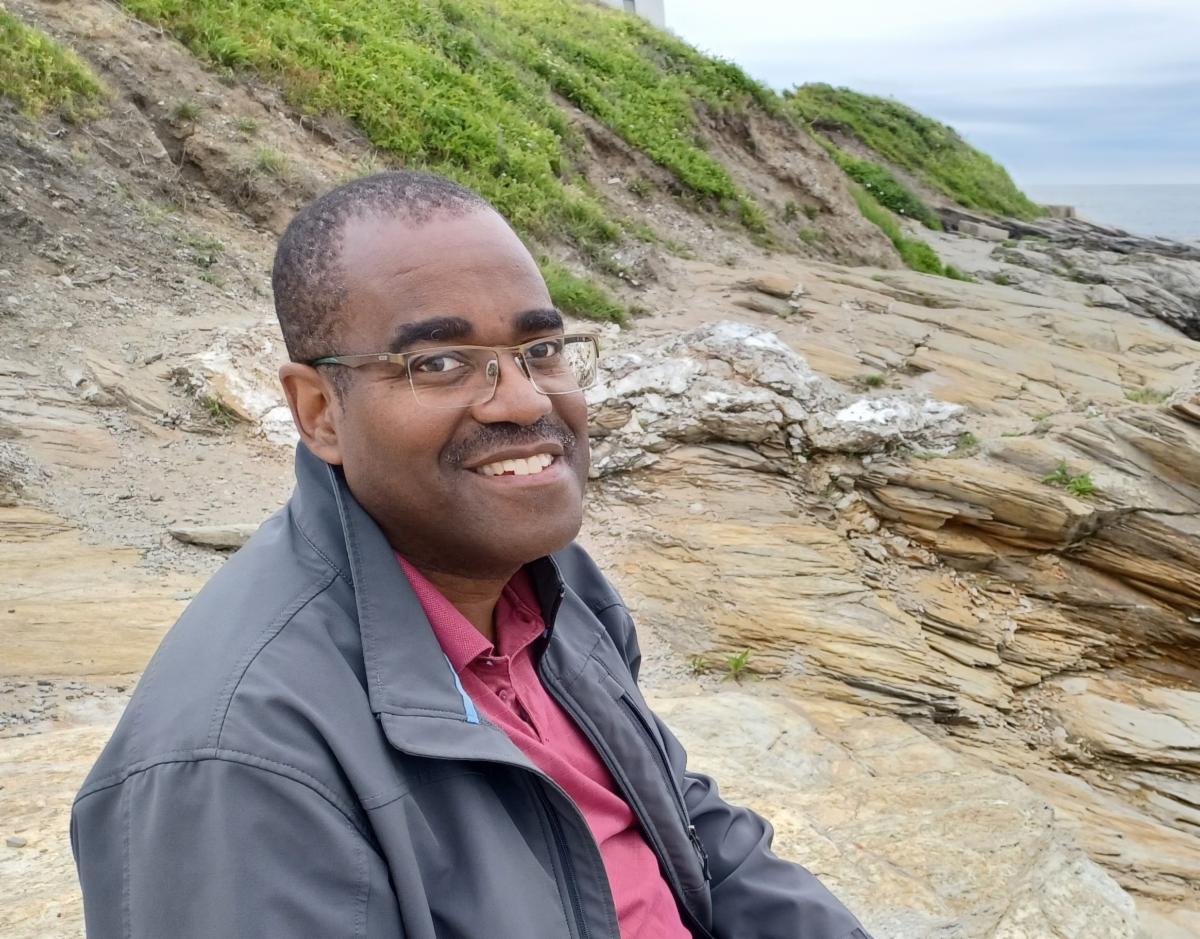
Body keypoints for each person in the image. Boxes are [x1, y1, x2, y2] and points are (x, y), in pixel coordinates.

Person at [71, 171, 871, 939]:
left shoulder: (553, 588)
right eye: (439, 364)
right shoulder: (238, 760)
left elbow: (683, 826)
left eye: (542, 347)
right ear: (319, 412)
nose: (524, 398)